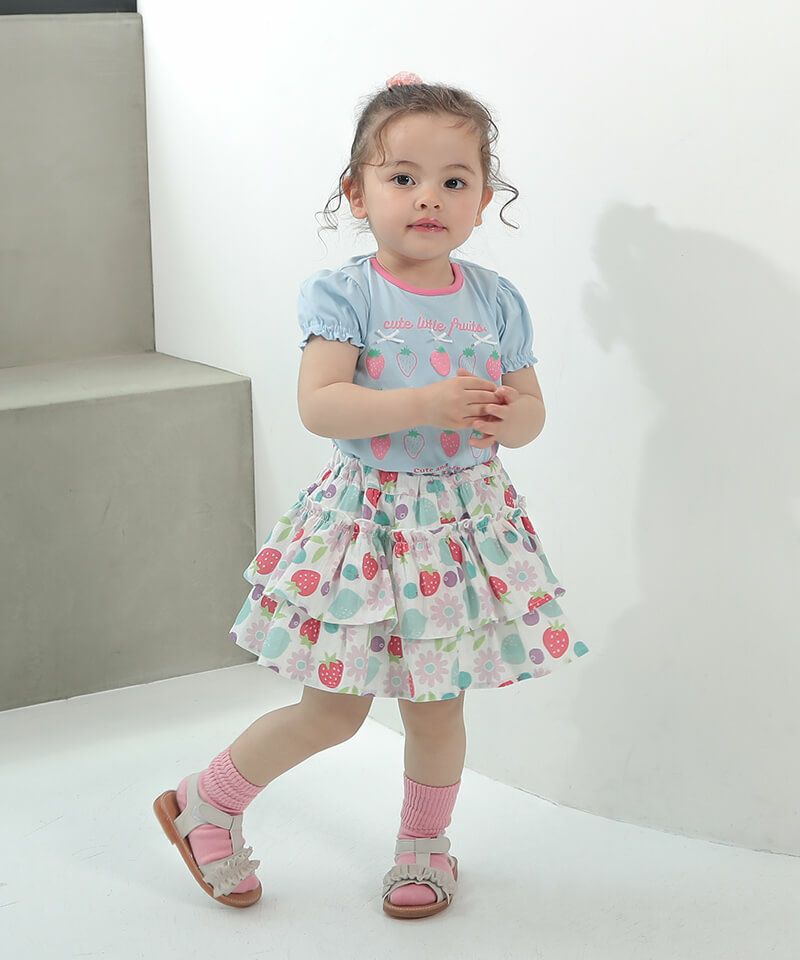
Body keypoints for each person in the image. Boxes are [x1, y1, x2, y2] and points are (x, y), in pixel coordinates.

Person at [153, 70, 590, 921]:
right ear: (358, 193)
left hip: (460, 528)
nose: (429, 197)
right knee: (334, 709)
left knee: (437, 709)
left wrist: (511, 416)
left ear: (483, 200)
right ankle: (206, 800)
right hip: (371, 526)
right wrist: (423, 404)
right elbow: (322, 405)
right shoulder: (348, 293)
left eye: (454, 181)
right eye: (403, 177)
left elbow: (532, 411)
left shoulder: (497, 301)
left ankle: (425, 846)